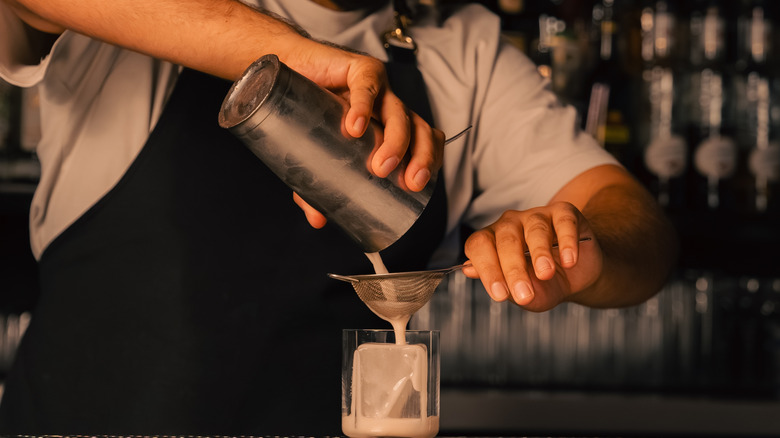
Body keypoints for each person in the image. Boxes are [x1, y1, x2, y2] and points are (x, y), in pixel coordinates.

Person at [0, 0, 677, 434]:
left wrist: (575, 244)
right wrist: (285, 56)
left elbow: (638, 229)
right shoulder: (155, 14)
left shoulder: (461, 49)